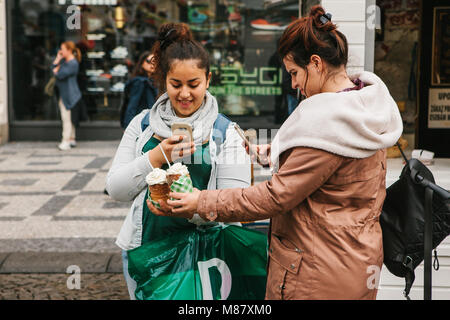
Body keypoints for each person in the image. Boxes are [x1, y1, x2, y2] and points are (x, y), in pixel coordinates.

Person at [150, 5, 404, 300]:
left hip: (318, 273)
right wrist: (280, 151)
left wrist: (199, 201)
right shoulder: (362, 108)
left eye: (295, 73)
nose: (294, 84)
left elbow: (274, 197)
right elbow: (335, 170)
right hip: (355, 261)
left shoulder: (331, 121)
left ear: (316, 64)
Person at [105, 22, 252, 300]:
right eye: (176, 84)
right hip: (145, 250)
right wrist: (157, 156)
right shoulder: (142, 125)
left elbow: (237, 208)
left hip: (204, 255)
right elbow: (115, 189)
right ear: (164, 81)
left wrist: (191, 209)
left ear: (208, 79)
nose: (184, 94)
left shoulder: (226, 133)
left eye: (193, 84)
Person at [52, 41, 86, 151]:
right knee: (69, 118)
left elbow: (59, 74)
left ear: (69, 50)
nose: (61, 51)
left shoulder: (72, 63)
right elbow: (53, 69)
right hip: (67, 95)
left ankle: (66, 141)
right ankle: (71, 138)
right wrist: (57, 61)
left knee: (67, 119)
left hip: (70, 96)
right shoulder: (65, 62)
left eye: (62, 49)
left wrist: (56, 69)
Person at [120, 51, 158, 129]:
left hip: (150, 123)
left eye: (155, 61)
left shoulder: (153, 81)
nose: (152, 64)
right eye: (148, 61)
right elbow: (132, 105)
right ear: (142, 63)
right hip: (141, 124)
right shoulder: (139, 82)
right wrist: (128, 126)